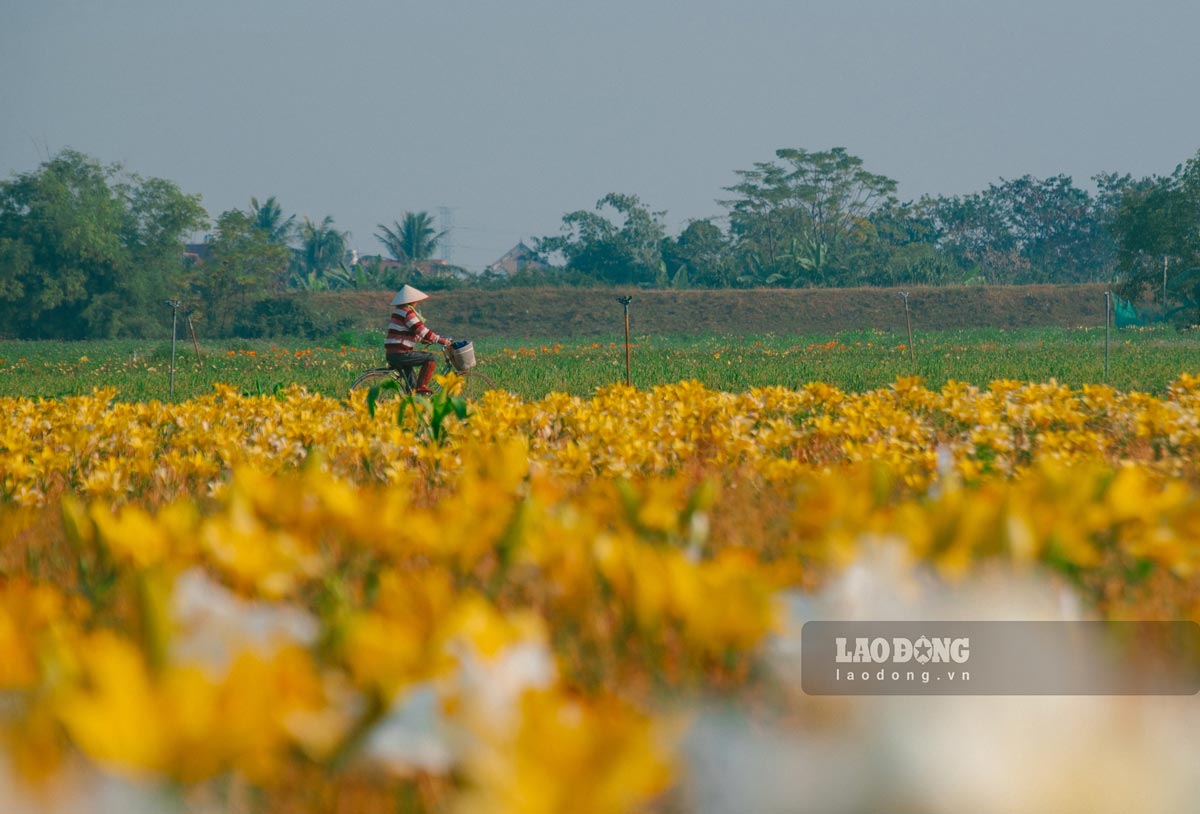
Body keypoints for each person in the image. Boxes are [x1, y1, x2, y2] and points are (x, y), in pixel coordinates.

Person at [385, 284, 451, 394]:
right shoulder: (407, 312)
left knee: (412, 386)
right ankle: (422, 386)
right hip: (401, 353)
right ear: (411, 301)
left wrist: (422, 339)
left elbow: (407, 332)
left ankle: (411, 401)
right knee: (431, 358)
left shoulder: (398, 311)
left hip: (392, 353)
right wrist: (441, 340)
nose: (417, 303)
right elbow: (422, 330)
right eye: (416, 301)